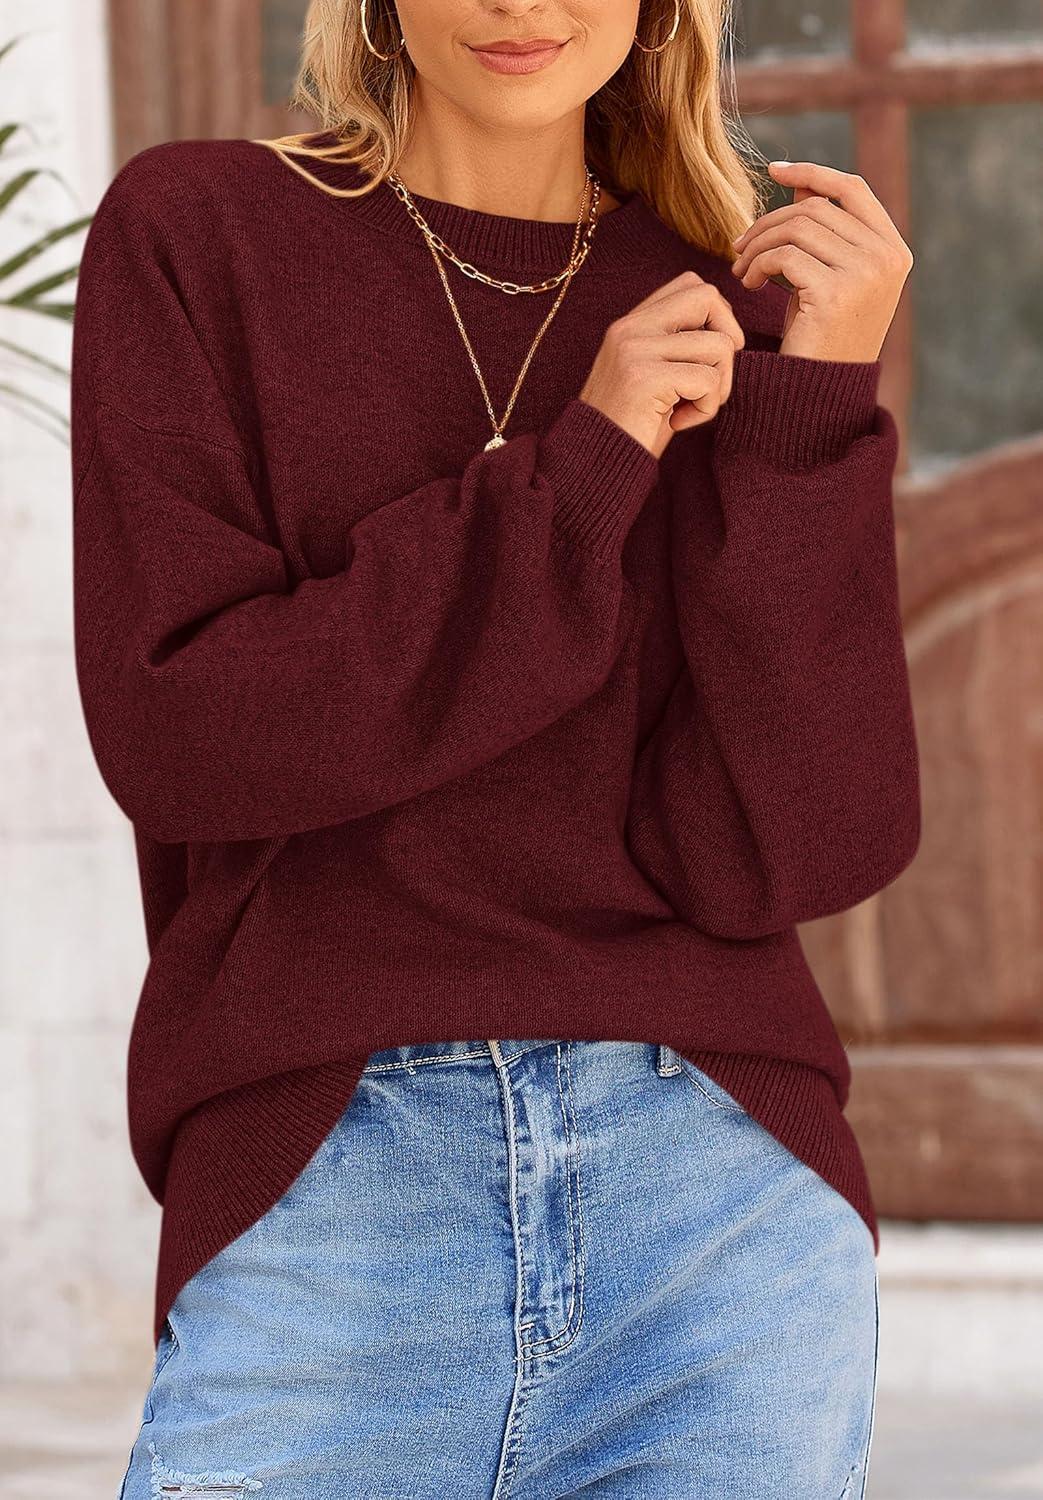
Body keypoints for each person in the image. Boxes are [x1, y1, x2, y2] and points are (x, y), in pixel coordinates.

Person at [70, 1, 919, 1495]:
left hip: (713, 1206)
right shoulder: (201, 232)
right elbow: (187, 734)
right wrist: (586, 466)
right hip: (333, 1172)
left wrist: (809, 408)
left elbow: (799, 844)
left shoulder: (729, 303)